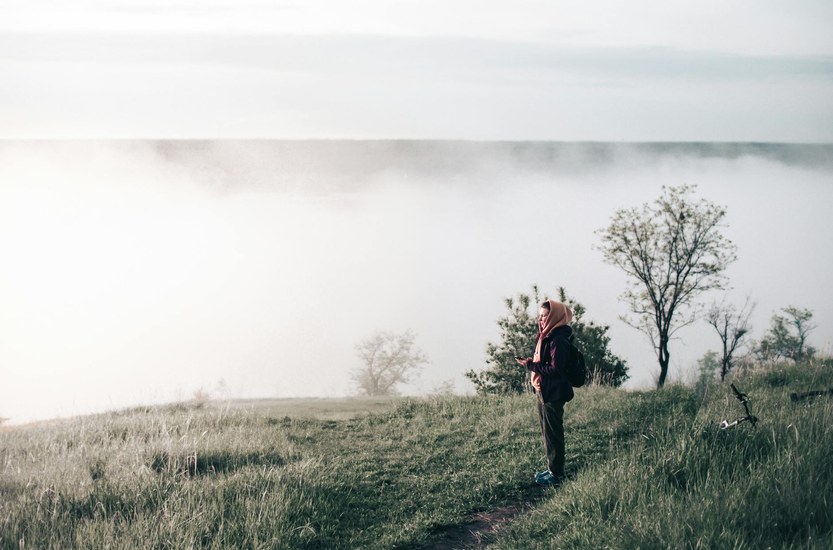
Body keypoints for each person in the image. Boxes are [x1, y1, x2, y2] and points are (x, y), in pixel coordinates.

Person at [516, 299, 574, 486]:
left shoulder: (558, 339)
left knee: (554, 433)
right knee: (547, 433)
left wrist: (531, 365)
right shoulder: (546, 336)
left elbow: (556, 370)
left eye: (545, 316)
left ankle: (557, 474)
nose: (541, 320)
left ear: (555, 316)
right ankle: (552, 469)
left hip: (554, 393)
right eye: (540, 316)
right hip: (544, 390)